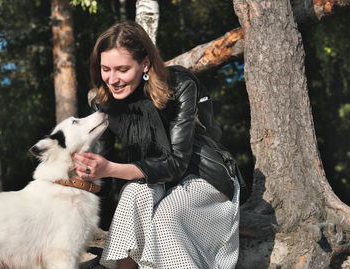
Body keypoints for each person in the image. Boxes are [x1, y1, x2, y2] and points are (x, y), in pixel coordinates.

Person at [73, 21, 242, 269]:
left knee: (165, 217)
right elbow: (104, 183)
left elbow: (176, 164)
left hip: (201, 177)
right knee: (131, 193)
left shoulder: (181, 84)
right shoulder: (103, 104)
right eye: (105, 69)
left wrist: (109, 168)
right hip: (154, 182)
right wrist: (78, 180)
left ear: (145, 63)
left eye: (122, 69)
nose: (112, 79)